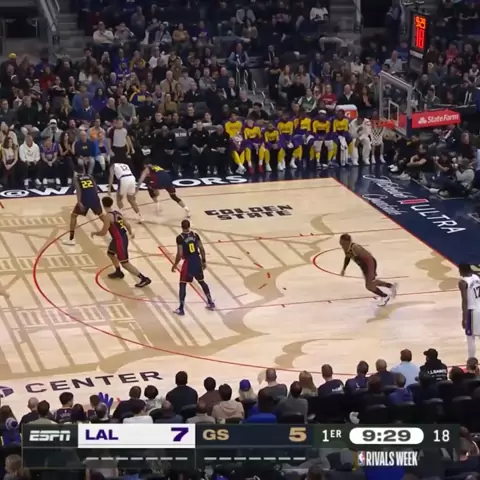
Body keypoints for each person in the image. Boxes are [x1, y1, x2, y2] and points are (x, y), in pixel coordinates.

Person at [91, 196, 151, 288]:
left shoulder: (108, 216)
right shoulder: (117, 213)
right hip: (121, 238)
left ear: (103, 205)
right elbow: (127, 224)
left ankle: (143, 278)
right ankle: (118, 272)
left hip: (119, 241)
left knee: (125, 263)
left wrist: (95, 233)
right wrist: (130, 233)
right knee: (110, 253)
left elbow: (103, 232)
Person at [339, 233, 397, 306]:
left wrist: (368, 271)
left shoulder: (355, 248)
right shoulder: (346, 248)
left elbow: (366, 259)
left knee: (369, 286)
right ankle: (391, 286)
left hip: (369, 264)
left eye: (342, 242)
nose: (340, 244)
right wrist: (344, 269)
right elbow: (347, 257)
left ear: (347, 242)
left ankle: (385, 296)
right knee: (372, 282)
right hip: (366, 265)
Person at [171, 219, 215, 315]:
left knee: (183, 284)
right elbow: (201, 249)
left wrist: (174, 265)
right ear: (189, 226)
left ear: (181, 226)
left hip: (188, 262)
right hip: (197, 260)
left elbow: (180, 253)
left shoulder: (180, 238)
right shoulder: (195, 235)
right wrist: (203, 261)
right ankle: (210, 302)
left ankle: (181, 308)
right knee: (202, 281)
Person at [64, 165, 105, 246]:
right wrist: (95, 199)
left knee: (73, 216)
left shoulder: (76, 178)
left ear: (75, 172)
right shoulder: (90, 176)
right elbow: (95, 188)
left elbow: (78, 190)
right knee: (102, 216)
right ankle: (114, 233)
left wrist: (79, 202)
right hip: (95, 198)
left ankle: (71, 239)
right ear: (83, 170)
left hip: (85, 199)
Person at [459, 263, 480, 357]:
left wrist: (464, 318)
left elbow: (465, 301)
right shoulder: (477, 277)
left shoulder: (463, 282)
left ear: (462, 271)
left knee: (470, 337)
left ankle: (471, 360)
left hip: (472, 311)